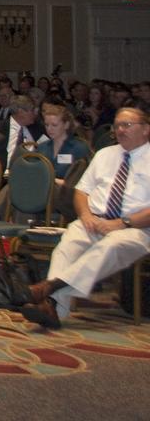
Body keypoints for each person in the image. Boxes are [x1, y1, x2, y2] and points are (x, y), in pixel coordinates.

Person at [20, 108, 150, 329]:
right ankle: (53, 309)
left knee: (110, 247)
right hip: (94, 220)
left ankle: (50, 290)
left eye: (127, 125)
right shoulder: (104, 155)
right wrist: (86, 215)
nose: (120, 130)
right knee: (67, 246)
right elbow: (81, 192)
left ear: (146, 129)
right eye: (117, 125)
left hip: (135, 228)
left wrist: (122, 223)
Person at [33, 103, 94, 223]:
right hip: (43, 190)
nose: (49, 129)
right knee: (16, 187)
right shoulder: (42, 147)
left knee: (33, 192)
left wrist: (52, 180)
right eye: (47, 125)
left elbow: (84, 182)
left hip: (69, 194)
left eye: (54, 125)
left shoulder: (79, 148)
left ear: (66, 125)